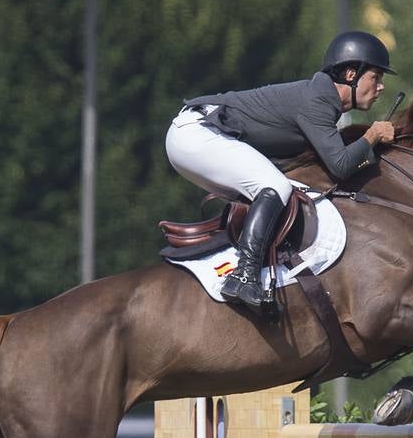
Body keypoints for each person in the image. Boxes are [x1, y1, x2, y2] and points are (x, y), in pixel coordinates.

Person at [166, 31, 398, 321]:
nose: (380, 87)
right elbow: (339, 165)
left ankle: (243, 270)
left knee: (273, 192)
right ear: (351, 74)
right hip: (197, 133)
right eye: (375, 77)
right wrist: (372, 135)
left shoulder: (321, 98)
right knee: (275, 186)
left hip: (195, 134)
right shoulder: (318, 100)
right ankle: (244, 276)